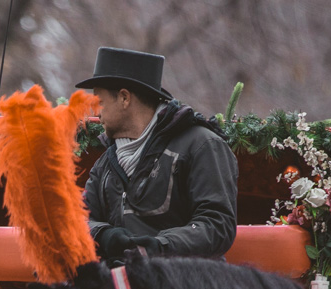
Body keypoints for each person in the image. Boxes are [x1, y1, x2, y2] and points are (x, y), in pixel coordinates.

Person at [76, 46, 239, 263]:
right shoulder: (104, 166)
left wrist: (160, 246)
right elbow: (76, 221)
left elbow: (217, 226)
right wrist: (103, 234)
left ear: (124, 98)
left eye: (100, 102)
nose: (95, 111)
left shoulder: (202, 144)